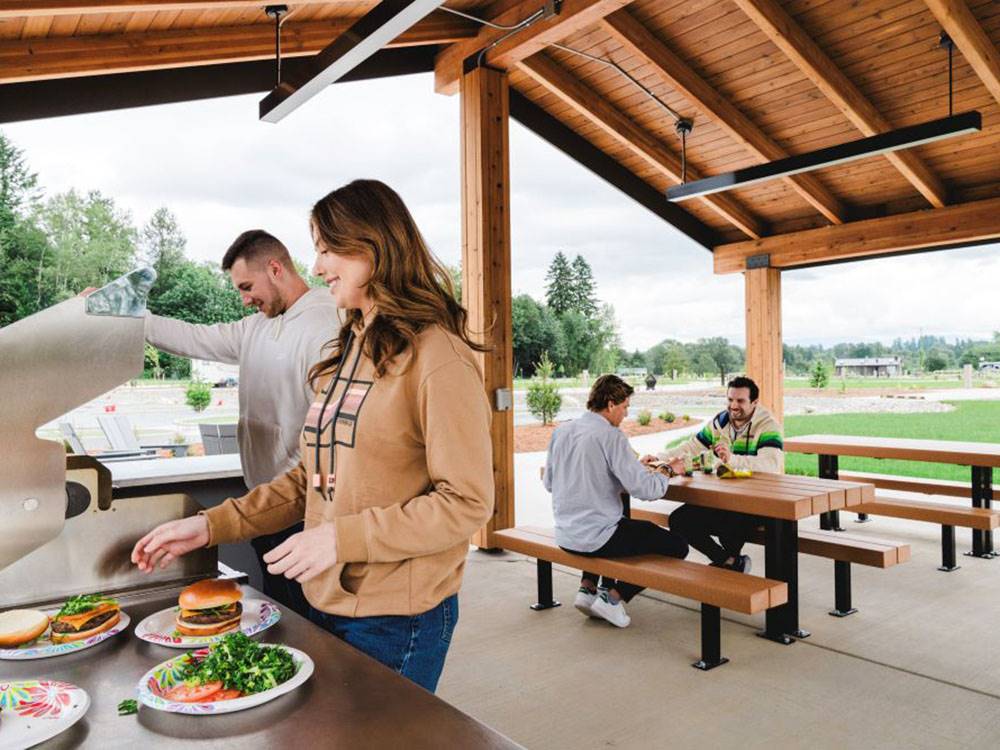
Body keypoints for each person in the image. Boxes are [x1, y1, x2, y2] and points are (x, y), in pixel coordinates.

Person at [132, 179, 494, 693]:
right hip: (326, 598)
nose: (319, 266)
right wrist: (211, 527)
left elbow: (467, 503)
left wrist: (340, 537)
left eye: (328, 249)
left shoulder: (439, 356)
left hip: (396, 616)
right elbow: (310, 480)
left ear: (374, 246)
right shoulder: (348, 349)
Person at [144, 230, 341, 616]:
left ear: (275, 268)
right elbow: (191, 338)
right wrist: (129, 320)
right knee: (281, 618)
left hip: (302, 510)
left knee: (313, 624)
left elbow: (337, 436)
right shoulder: (255, 327)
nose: (245, 298)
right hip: (260, 506)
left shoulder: (327, 324)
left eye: (247, 286)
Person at [544, 374, 689, 629]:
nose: (625, 414)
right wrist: (668, 470)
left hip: (566, 535)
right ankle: (612, 598)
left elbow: (550, 483)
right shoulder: (612, 436)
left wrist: (633, 466)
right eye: (624, 407)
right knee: (677, 546)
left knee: (619, 520)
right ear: (611, 404)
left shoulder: (562, 431)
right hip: (597, 539)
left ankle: (587, 588)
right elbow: (645, 490)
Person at [645, 375, 783, 574]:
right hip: (726, 499)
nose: (733, 406)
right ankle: (728, 561)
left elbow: (771, 465)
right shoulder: (721, 421)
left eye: (740, 401)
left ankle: (729, 566)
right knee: (679, 520)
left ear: (754, 402)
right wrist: (660, 458)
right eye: (730, 400)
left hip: (759, 503)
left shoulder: (767, 426)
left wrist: (731, 459)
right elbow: (692, 447)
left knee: (730, 528)